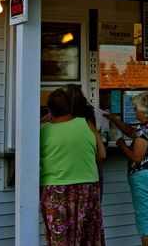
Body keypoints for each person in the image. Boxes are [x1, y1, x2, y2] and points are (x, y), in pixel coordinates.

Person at [40, 89, 105, 245]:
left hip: (55, 189)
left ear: (49, 110)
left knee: (60, 238)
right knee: (87, 237)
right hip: (87, 188)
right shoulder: (86, 124)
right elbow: (101, 154)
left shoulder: (42, 131)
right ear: (70, 106)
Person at [105, 91, 148, 246]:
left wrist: (121, 145)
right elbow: (132, 132)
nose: (134, 111)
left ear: (143, 110)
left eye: (135, 109)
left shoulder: (144, 130)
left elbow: (137, 157)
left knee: (145, 224)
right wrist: (114, 119)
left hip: (144, 178)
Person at [63, 84, 106, 196]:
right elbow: (101, 151)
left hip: (66, 169)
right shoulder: (92, 114)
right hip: (91, 166)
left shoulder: (57, 120)